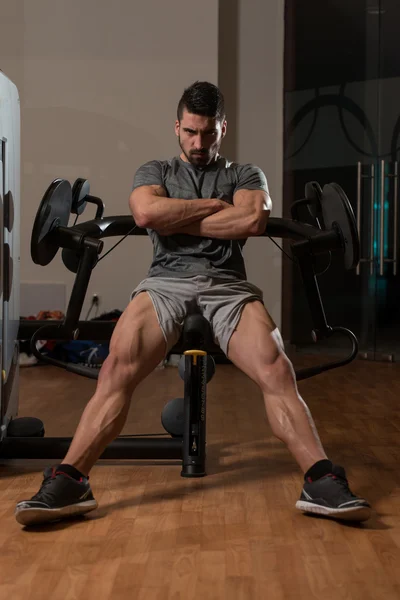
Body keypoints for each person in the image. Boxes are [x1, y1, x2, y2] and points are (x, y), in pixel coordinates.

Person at [15, 81, 371, 527]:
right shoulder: (154, 170)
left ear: (223, 127)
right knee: (117, 366)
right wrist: (215, 209)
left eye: (208, 133)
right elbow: (146, 215)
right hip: (165, 282)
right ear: (177, 127)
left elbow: (253, 219)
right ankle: (71, 479)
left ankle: (320, 480)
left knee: (276, 367)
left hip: (228, 287)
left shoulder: (247, 175)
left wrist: (179, 214)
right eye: (190, 133)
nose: (198, 143)